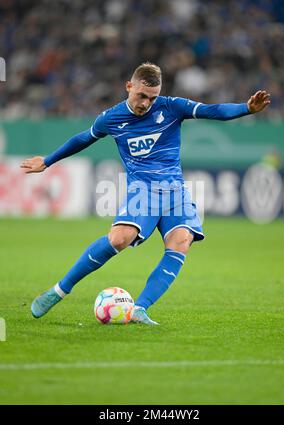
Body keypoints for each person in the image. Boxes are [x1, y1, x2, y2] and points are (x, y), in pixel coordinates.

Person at [21, 62, 270, 325]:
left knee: (181, 242)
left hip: (176, 192)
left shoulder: (172, 107)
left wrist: (246, 109)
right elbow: (83, 138)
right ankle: (59, 291)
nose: (146, 103)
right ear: (129, 87)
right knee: (119, 239)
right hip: (144, 191)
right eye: (141, 96)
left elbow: (213, 110)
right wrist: (48, 161)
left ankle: (140, 308)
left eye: (152, 98)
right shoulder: (111, 118)